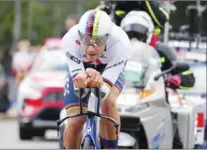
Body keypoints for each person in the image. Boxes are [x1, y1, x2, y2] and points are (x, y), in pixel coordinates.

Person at [61, 9, 131, 149]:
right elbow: (78, 80)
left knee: (108, 102)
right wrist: (81, 79)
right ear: (80, 36)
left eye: (99, 41)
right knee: (75, 121)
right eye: (87, 40)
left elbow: (104, 87)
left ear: (108, 38)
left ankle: (110, 147)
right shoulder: (69, 40)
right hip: (82, 67)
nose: (91, 48)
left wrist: (100, 82)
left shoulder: (121, 43)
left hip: (108, 69)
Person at [120, 10, 195, 96]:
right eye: (129, 35)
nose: (134, 39)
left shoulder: (162, 51)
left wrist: (178, 79)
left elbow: (188, 76)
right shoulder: (115, 51)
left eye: (139, 35)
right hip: (119, 98)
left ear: (148, 34)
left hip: (155, 100)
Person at [97, 0, 169, 30]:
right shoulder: (116, 4)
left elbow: (163, 19)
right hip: (121, 42)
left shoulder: (153, 3)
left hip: (147, 45)